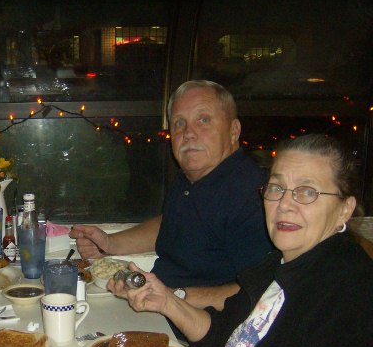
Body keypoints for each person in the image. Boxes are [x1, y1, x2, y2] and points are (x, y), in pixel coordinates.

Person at [114, 133, 373, 347]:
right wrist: (166, 302)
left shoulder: (352, 292)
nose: (285, 204)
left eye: (307, 192)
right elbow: (227, 335)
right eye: (276, 188)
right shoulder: (276, 266)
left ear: (345, 208)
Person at [70, 80, 273, 310]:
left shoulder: (252, 195)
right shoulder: (192, 177)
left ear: (234, 131)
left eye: (203, 120)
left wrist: (172, 297)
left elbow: (261, 291)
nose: (188, 133)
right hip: (164, 308)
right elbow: (172, 224)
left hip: (204, 331)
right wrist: (109, 243)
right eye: (179, 123)